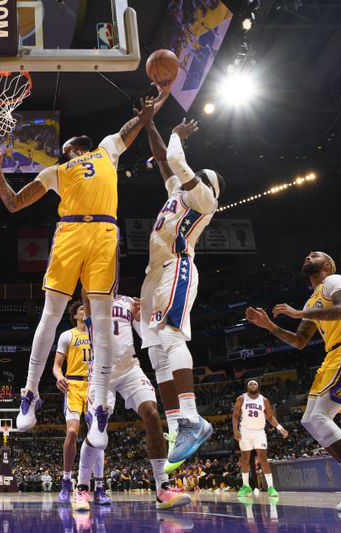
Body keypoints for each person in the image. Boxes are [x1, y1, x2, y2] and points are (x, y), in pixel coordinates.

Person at [0, 94, 166, 450]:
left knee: (101, 322)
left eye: (68, 147)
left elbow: (131, 127)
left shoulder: (105, 151)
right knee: (51, 315)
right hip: (70, 232)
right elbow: (13, 203)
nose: (65, 150)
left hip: (103, 233)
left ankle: (97, 406)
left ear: (77, 147)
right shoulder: (54, 172)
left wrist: (151, 110)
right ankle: (30, 393)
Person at [245, 251, 341, 511]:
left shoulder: (335, 281)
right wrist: (270, 326)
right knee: (310, 419)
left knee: (319, 417)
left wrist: (300, 314)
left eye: (314, 255)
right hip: (334, 355)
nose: (307, 257)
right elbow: (299, 341)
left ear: (326, 264)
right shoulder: (313, 300)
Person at [140, 117, 225, 468]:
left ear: (208, 184)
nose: (192, 176)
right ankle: (177, 424)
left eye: (198, 174)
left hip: (177, 267)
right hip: (153, 276)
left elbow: (175, 159)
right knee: (157, 352)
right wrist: (149, 123)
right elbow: (164, 160)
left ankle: (192, 418)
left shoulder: (204, 198)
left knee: (172, 337)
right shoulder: (179, 193)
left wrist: (176, 133)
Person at [73, 290, 192, 512]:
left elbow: (145, 332)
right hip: (101, 372)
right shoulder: (92, 297)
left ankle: (162, 488)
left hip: (130, 367)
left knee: (153, 415)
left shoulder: (128, 301)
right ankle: (81, 488)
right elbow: (84, 291)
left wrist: (142, 314)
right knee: (97, 435)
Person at [51, 301, 92, 503]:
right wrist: (59, 376)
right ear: (75, 316)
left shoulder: (97, 334)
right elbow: (57, 366)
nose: (85, 310)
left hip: (94, 385)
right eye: (81, 309)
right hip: (74, 385)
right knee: (73, 432)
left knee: (96, 436)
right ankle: (66, 479)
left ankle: (94, 484)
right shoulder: (67, 335)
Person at [232, 380, 289, 497]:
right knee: (245, 460)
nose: (253, 386)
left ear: (258, 386)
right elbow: (235, 415)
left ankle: (271, 487)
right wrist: (235, 430)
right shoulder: (241, 398)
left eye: (255, 384)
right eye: (250, 384)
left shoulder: (264, 400)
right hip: (245, 431)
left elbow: (270, 417)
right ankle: (246, 486)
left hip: (259, 432)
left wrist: (280, 428)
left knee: (263, 458)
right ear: (247, 387)